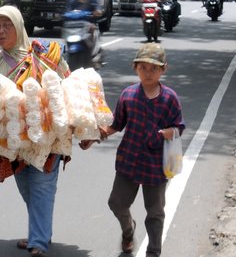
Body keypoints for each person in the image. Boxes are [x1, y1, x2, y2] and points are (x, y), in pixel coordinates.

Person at [0, 5, 71, 257]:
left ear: (19, 26)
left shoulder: (42, 54)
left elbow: (67, 83)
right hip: (12, 140)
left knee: (42, 185)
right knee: (27, 188)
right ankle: (40, 231)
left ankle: (39, 243)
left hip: (47, 138)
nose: (0, 31)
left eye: (6, 25)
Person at [79, 43, 185, 257]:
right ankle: (129, 231)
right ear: (135, 68)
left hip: (155, 166)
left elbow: (179, 127)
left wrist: (169, 132)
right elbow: (116, 124)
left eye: (153, 68)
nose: (148, 72)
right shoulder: (128, 95)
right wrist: (94, 137)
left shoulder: (170, 98)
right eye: (143, 67)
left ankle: (154, 251)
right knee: (116, 203)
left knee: (155, 213)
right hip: (129, 160)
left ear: (164, 69)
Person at [66, 0, 103, 66]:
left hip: (88, 26)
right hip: (75, 27)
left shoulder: (92, 0)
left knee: (94, 31)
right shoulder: (72, 0)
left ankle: (96, 55)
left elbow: (99, 11)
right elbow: (67, 11)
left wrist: (95, 13)